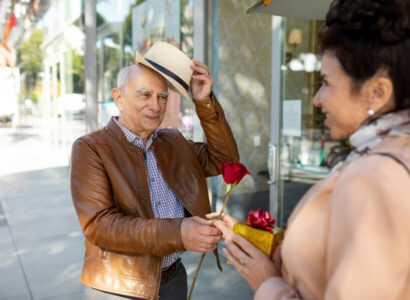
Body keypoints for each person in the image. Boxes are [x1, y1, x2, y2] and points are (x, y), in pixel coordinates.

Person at [211, 0, 410, 299]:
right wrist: (268, 247)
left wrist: (268, 284)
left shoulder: (376, 176)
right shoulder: (382, 156)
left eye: (327, 82)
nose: (316, 99)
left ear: (377, 91)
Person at [70, 41, 239, 300]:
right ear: (119, 97)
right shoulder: (91, 148)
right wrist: (179, 232)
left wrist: (204, 103)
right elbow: (100, 226)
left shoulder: (172, 142)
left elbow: (226, 160)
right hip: (119, 287)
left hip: (173, 278)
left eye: (162, 97)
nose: (156, 106)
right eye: (144, 95)